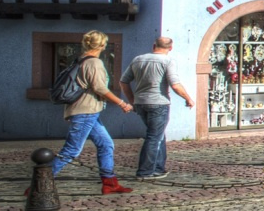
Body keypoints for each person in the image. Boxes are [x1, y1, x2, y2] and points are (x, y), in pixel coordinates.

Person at [48, 31, 134, 194]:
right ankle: (40, 181)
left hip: (88, 111)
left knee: (106, 144)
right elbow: (100, 88)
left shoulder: (80, 60)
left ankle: (109, 183)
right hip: (85, 111)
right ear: (102, 45)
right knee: (72, 150)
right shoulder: (94, 63)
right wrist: (122, 103)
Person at [120, 35, 195, 179]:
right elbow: (175, 84)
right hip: (158, 103)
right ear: (170, 48)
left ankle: (159, 168)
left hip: (141, 103)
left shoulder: (138, 59)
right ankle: (145, 171)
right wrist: (188, 98)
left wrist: (132, 100)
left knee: (158, 134)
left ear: (154, 46)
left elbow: (123, 82)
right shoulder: (168, 61)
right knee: (154, 137)